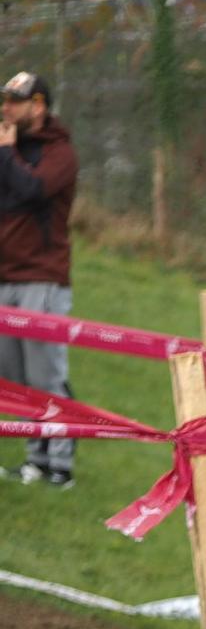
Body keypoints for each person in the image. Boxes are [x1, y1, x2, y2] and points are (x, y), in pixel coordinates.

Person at [0, 72, 79, 489]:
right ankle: (34, 460)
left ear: (39, 106)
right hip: (4, 278)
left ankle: (60, 466)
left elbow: (32, 190)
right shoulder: (9, 151)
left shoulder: (59, 152)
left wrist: (6, 152)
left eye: (16, 100)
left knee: (45, 376)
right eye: (5, 99)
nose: (6, 107)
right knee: (14, 379)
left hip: (42, 280)